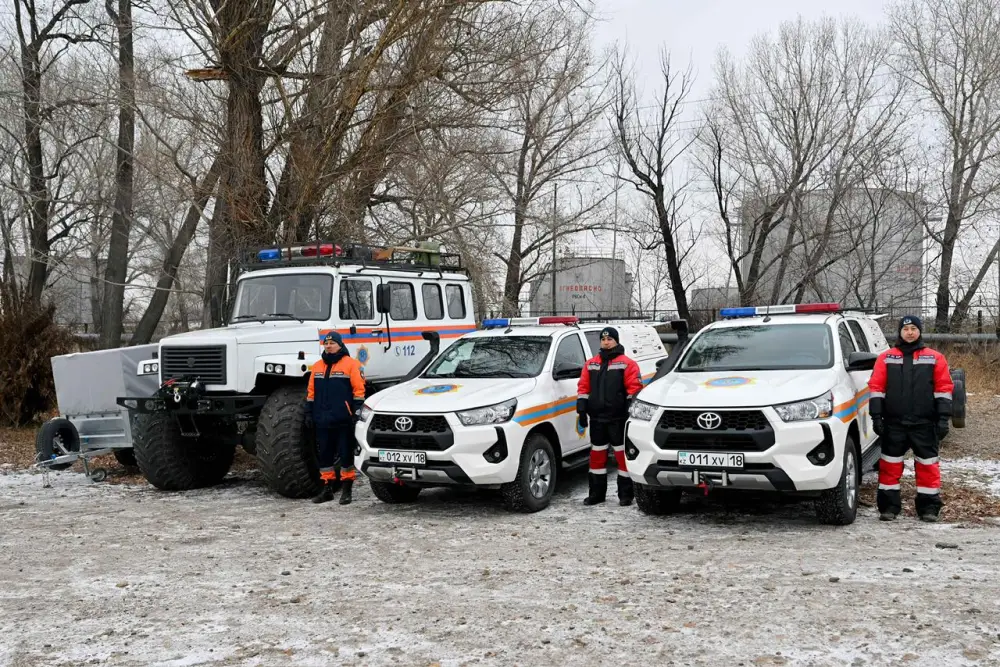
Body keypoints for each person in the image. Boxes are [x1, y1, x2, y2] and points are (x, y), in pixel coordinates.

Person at [868, 315, 953, 522]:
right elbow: (876, 388)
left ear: (920, 331)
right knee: (889, 466)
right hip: (894, 423)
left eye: (914, 328)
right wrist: (876, 417)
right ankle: (888, 508)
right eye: (905, 329)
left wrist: (943, 419)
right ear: (900, 332)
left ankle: (929, 509)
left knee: (928, 466)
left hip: (925, 423)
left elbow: (943, 389)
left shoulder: (935, 357)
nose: (909, 332)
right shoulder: (886, 357)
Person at [577, 326, 643, 506]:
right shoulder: (591, 364)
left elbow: (634, 390)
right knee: (597, 457)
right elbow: (583, 389)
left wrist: (631, 413)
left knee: (622, 457)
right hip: (597, 419)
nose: (606, 342)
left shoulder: (627, 363)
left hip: (619, 419)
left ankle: (626, 495)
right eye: (603, 339)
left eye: (610, 339)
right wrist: (581, 410)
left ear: (616, 341)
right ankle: (596, 494)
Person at [305, 331, 365, 505]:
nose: (329, 346)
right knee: (325, 456)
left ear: (340, 345)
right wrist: (309, 413)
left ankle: (347, 490)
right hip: (322, 419)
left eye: (332, 343)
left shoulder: (352, 365)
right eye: (326, 344)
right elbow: (310, 393)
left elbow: (359, 391)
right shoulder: (316, 367)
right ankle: (327, 489)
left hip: (343, 419)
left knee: (346, 455)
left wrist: (356, 412)